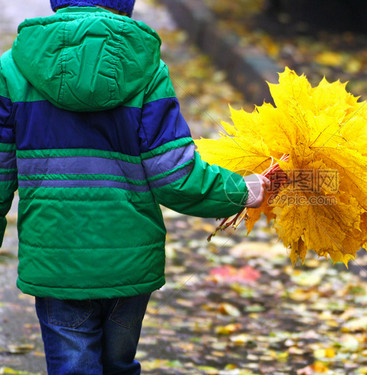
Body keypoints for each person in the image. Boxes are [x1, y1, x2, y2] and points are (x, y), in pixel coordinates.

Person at [0, 1, 269, 373]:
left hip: (57, 264)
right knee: (118, 365)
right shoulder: (146, 69)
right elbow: (174, 174)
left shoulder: (13, 70)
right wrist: (241, 190)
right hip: (129, 265)